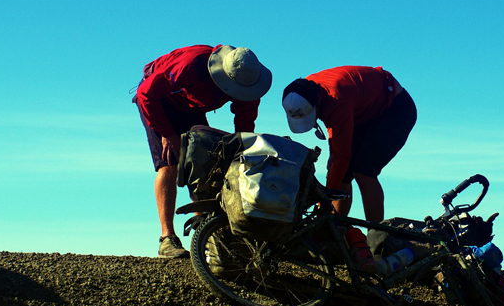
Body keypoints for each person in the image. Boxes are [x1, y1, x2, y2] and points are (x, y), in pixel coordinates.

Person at [134, 45, 271, 258]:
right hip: (159, 102)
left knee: (205, 165)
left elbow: (244, 125)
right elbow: (146, 94)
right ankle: (167, 239)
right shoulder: (191, 66)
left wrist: (240, 155)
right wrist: (166, 132)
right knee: (170, 163)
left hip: (191, 106)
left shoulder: (248, 82)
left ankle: (204, 236)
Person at [281, 66, 416, 223]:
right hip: (363, 110)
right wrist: (333, 152)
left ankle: (376, 234)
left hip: (396, 108)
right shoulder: (304, 90)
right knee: (341, 174)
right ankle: (333, 230)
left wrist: (323, 201)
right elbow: (331, 120)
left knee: (363, 171)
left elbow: (341, 157)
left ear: (317, 100)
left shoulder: (337, 97)